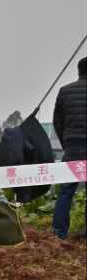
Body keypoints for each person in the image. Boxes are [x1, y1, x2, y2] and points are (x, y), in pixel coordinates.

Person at [52, 57, 87, 241]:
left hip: (72, 145)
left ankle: (59, 232)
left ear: (78, 71)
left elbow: (57, 121)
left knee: (66, 190)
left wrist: (66, 142)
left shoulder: (64, 91)